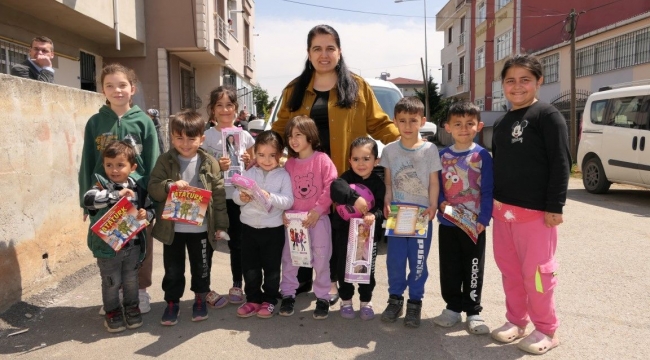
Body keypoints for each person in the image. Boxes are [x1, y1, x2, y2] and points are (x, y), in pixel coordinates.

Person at [271, 24, 400, 303]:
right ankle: (305, 281)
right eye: (317, 48)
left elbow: (379, 124)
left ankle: (334, 284)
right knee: (306, 228)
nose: (324, 54)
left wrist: (408, 144)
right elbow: (279, 131)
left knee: (337, 235)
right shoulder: (294, 89)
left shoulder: (357, 86)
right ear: (308, 53)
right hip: (305, 178)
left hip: (344, 179)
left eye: (330, 48)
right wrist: (260, 154)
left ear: (340, 52)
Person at [490, 54, 570, 355]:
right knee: (510, 271)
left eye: (525, 79)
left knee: (537, 275)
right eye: (510, 80)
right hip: (503, 213)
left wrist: (555, 206)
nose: (517, 86)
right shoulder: (501, 122)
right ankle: (516, 321)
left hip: (537, 215)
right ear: (503, 85)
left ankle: (547, 329)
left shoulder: (547, 116)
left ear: (539, 81)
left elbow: (561, 163)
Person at [78, 63, 160, 315]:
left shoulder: (144, 121)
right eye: (110, 85)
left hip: (137, 195)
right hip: (106, 197)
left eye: (122, 85)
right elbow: (87, 161)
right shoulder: (95, 122)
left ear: (132, 88)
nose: (117, 90)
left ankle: (141, 291)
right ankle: (115, 294)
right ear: (102, 90)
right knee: (111, 245)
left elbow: (154, 159)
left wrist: (153, 198)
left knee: (140, 246)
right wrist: (85, 200)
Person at [148, 109, 229, 326]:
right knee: (173, 270)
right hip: (172, 230)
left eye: (191, 138)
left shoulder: (209, 162)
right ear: (171, 137)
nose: (185, 143)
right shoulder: (165, 161)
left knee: (201, 267)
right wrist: (169, 186)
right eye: (179, 138)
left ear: (201, 138)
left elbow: (219, 195)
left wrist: (220, 226)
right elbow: (153, 188)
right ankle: (172, 302)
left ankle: (200, 299)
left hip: (201, 229)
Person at [379, 97, 441, 328]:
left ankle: (415, 301)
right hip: (397, 216)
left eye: (413, 120)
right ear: (395, 121)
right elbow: (388, 183)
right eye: (402, 120)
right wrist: (387, 200)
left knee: (417, 262)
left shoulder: (430, 150)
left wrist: (433, 205)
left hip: (422, 217)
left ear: (422, 121)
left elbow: (434, 182)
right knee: (395, 261)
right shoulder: (389, 150)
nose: (407, 125)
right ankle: (395, 299)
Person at [432, 102, 494, 334]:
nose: (464, 128)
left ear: (478, 126)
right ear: (447, 127)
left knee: (473, 267)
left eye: (469, 124)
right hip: (448, 223)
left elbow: (488, 190)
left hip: (474, 226)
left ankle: (473, 311)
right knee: (449, 267)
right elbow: (436, 185)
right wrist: (440, 202)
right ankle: (452, 308)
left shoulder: (482, 156)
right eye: (457, 124)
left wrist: (484, 219)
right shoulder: (441, 156)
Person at [83, 141, 154, 333]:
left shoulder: (138, 188)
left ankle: (131, 308)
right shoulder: (100, 185)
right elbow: (88, 200)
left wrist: (145, 215)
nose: (114, 170)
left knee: (131, 280)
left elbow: (150, 209)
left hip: (133, 245)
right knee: (111, 281)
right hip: (107, 248)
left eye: (120, 165)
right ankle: (112, 312)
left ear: (133, 167)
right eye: (109, 165)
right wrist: (115, 195)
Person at [278, 115, 337, 319]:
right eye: (290, 136)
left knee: (321, 259)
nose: (293, 139)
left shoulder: (322, 160)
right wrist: (284, 213)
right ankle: (287, 294)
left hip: (318, 220)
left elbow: (331, 186)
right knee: (290, 259)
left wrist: (318, 210)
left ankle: (322, 296)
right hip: (294, 222)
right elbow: (281, 191)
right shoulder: (289, 165)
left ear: (310, 137)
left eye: (298, 135)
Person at [233, 131, 294, 318]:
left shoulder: (284, 176)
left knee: (272, 267)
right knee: (249, 267)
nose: (266, 160)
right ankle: (252, 299)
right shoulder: (249, 172)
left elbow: (289, 201)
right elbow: (236, 196)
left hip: (273, 229)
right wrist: (241, 197)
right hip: (249, 228)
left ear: (281, 154)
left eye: (272, 155)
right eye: (261, 155)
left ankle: (269, 300)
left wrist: (271, 197)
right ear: (254, 154)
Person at [203, 85, 255, 305]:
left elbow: (255, 165)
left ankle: (237, 285)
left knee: (237, 244)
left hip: (237, 198)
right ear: (212, 110)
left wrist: (247, 161)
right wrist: (217, 165)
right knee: (209, 243)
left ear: (236, 109)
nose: (225, 110)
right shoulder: (205, 137)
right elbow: (200, 168)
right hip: (214, 198)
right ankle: (204, 288)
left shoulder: (245, 136)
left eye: (229, 105)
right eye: (220, 105)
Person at [330, 136, 385, 320]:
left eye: (366, 158)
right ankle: (346, 300)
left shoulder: (378, 183)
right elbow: (336, 188)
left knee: (366, 270)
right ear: (349, 160)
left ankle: (366, 301)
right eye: (356, 159)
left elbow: (380, 210)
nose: (360, 163)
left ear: (376, 161)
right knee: (343, 267)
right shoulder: (345, 178)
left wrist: (373, 215)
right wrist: (355, 198)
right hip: (344, 233)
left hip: (367, 237)